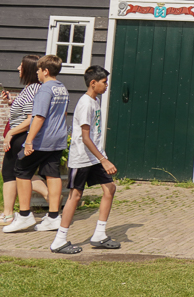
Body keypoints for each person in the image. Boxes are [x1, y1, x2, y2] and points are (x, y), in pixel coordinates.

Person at [51, 65, 119, 254]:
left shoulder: (95, 101)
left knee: (110, 188)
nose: (106, 86)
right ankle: (59, 240)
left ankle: (99, 235)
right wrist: (104, 160)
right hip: (82, 158)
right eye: (104, 83)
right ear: (93, 83)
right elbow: (86, 137)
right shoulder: (85, 103)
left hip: (95, 157)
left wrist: (101, 157)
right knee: (75, 196)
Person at [3, 54, 69, 233]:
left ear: (45, 71)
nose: (37, 73)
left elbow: (38, 117)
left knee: (21, 171)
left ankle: (24, 215)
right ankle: (54, 217)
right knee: (52, 174)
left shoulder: (45, 90)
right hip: (58, 139)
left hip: (42, 140)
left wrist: (30, 140)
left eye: (39, 70)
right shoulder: (62, 88)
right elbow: (62, 115)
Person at [0, 54, 49, 226]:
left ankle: (49, 198)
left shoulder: (31, 90)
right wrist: (11, 102)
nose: (18, 69)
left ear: (28, 69)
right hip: (19, 136)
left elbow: (31, 118)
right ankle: (8, 213)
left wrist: (10, 133)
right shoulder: (32, 88)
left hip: (20, 137)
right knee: (16, 173)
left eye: (21, 66)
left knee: (13, 173)